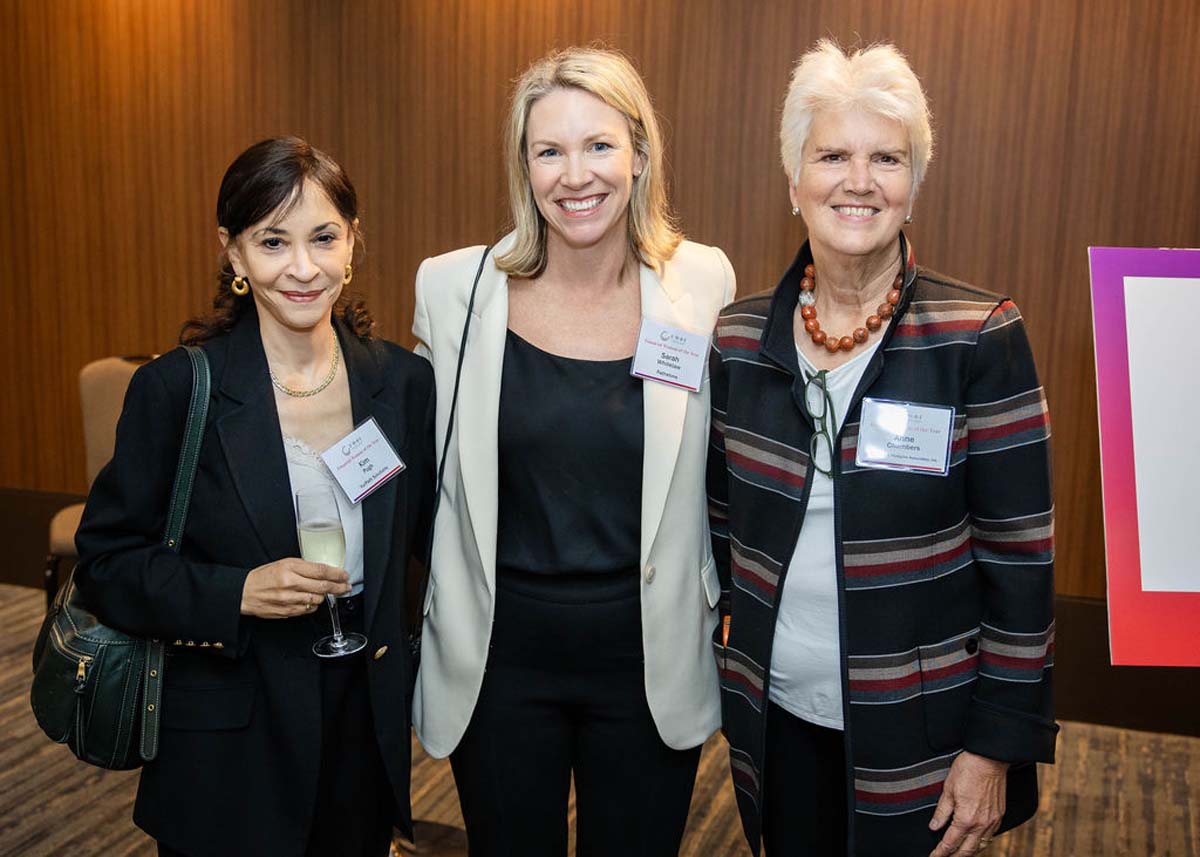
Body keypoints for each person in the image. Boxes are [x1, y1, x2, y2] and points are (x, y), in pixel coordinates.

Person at [707, 41, 1056, 857]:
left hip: (923, 736)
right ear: (794, 180)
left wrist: (994, 744)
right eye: (833, 155)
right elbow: (724, 528)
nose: (858, 181)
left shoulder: (977, 336)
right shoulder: (738, 340)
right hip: (775, 715)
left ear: (913, 184)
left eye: (886, 159)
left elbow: (1021, 563)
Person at [411, 46, 735, 857]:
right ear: (524, 167)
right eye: (548, 150)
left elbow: (726, 466)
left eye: (598, 145)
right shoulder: (456, 290)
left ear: (639, 153)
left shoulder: (701, 284)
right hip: (499, 658)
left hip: (647, 653)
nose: (574, 174)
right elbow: (409, 463)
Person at [74, 137, 435, 857]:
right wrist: (235, 590)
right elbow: (106, 567)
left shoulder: (400, 383)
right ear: (233, 254)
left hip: (361, 729)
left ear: (352, 242)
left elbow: (416, 552)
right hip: (229, 739)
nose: (303, 268)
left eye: (323, 237)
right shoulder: (180, 390)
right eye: (273, 241)